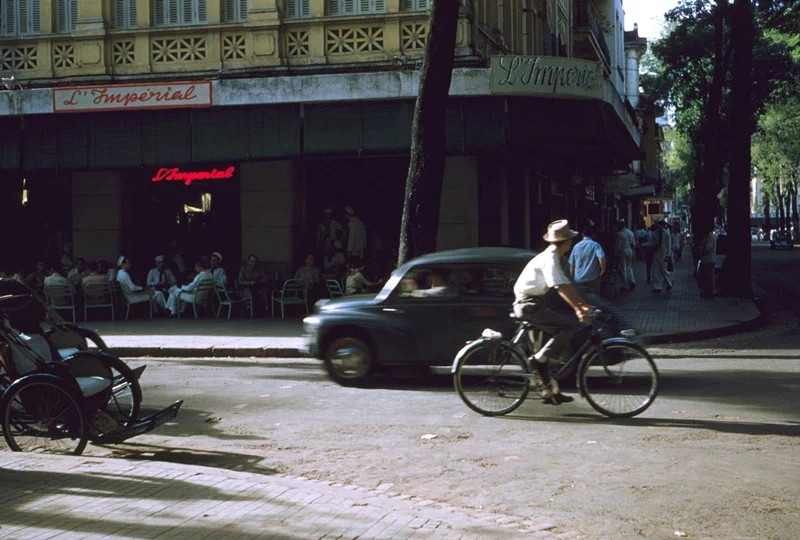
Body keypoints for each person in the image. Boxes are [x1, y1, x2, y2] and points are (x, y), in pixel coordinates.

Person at [513, 220, 595, 405]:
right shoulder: (550, 258)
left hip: (534, 302)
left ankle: (550, 392)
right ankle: (538, 361)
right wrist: (578, 309)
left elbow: (566, 284)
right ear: (566, 242)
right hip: (528, 304)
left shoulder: (554, 257)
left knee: (541, 350)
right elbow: (559, 287)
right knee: (568, 327)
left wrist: (582, 304)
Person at [568, 223, 607, 294]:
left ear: (582, 234)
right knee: (594, 300)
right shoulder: (596, 245)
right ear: (593, 235)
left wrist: (572, 277)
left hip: (578, 279)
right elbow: (602, 258)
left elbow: (572, 264)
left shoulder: (576, 246)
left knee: (581, 300)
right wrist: (602, 270)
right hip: (592, 278)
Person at [650, 220, 673, 294]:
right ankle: (657, 287)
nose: (658, 227)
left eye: (660, 226)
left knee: (663, 269)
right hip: (656, 253)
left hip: (663, 253)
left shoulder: (666, 234)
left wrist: (668, 255)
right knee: (655, 270)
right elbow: (652, 242)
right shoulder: (654, 234)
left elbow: (669, 245)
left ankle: (669, 283)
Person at [614, 220, 637, 292]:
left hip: (622, 251)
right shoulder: (630, 233)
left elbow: (618, 245)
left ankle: (624, 285)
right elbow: (634, 244)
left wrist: (615, 253)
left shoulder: (620, 234)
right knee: (629, 267)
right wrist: (634, 253)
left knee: (623, 268)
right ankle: (632, 281)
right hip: (629, 250)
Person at [696, 230, 717, 300]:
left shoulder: (711, 238)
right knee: (705, 278)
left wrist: (701, 249)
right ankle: (707, 293)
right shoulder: (706, 238)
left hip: (709, 260)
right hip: (705, 260)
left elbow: (706, 249)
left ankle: (710, 293)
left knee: (709, 278)